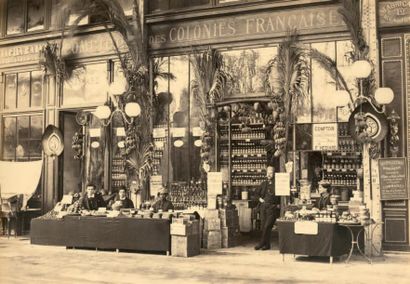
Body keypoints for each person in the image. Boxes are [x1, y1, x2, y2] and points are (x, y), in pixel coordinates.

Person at [254, 166, 280, 251]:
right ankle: (267, 245)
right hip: (263, 207)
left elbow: (280, 196)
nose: (269, 174)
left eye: (271, 173)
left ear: (273, 174)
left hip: (272, 208)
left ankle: (261, 243)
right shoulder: (263, 184)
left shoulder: (277, 184)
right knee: (263, 226)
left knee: (267, 226)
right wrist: (260, 199)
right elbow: (256, 194)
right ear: (266, 174)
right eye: (268, 173)